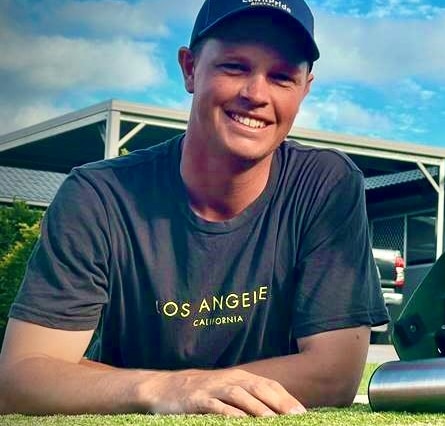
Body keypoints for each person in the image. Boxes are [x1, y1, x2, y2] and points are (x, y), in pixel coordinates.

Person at [0, 0, 388, 417]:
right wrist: (173, 387)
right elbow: (21, 378)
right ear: (189, 68)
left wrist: (198, 388)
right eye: (235, 67)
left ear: (304, 88)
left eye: (281, 77)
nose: (256, 94)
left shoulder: (325, 185)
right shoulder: (99, 195)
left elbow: (335, 374)